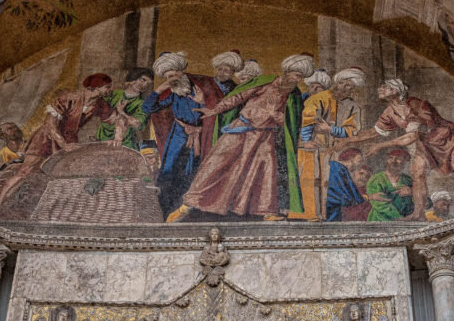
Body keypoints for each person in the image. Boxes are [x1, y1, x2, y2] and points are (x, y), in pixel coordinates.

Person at [167, 54, 313, 222]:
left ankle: (267, 211)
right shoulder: (266, 82)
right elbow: (238, 97)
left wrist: (277, 116)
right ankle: (188, 204)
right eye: (295, 75)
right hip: (240, 128)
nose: (297, 79)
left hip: (265, 136)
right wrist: (215, 110)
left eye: (300, 77)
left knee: (266, 172)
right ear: (287, 72)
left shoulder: (293, 94)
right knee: (216, 164)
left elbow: (290, 122)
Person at [351, 78, 454, 219]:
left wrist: (380, 145)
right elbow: (375, 131)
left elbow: (412, 136)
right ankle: (418, 214)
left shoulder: (415, 105)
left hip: (445, 141)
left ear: (395, 90)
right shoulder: (390, 111)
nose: (380, 89)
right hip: (425, 145)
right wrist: (348, 140)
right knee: (417, 174)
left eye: (384, 86)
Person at [0, 73, 114, 212]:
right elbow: (50, 123)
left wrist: (119, 137)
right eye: (108, 87)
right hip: (46, 139)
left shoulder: (100, 104)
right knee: (25, 172)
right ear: (96, 87)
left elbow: (116, 119)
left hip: (69, 141)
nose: (110, 90)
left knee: (59, 174)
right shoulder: (69, 99)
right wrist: (63, 144)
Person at [289, 67, 364, 221]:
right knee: (308, 181)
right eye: (342, 83)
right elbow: (308, 120)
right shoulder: (320, 98)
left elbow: (351, 130)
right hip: (309, 148)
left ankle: (322, 216)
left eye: (348, 85)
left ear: (353, 89)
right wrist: (306, 141)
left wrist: (331, 129)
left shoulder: (353, 106)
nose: (343, 87)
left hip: (329, 151)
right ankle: (305, 215)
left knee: (326, 185)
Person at [142, 52, 209, 216]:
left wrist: (203, 101)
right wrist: (159, 90)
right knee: (169, 169)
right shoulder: (173, 93)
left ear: (180, 72)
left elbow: (218, 108)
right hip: (179, 134)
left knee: (195, 170)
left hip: (201, 134)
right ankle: (164, 209)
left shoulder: (201, 86)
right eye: (167, 77)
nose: (171, 80)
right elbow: (148, 108)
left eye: (172, 75)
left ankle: (188, 209)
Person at [94, 68, 154, 150]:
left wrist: (121, 112)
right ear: (134, 78)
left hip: (124, 144)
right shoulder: (114, 93)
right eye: (143, 80)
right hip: (102, 139)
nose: (144, 85)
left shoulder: (142, 104)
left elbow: (137, 124)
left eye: (148, 84)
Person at [365, 148, 416, 221]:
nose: (393, 161)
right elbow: (380, 205)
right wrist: (401, 219)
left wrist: (413, 192)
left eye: (398, 158)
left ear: (405, 162)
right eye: (390, 158)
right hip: (379, 222)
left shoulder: (409, 180)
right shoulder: (376, 179)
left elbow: (426, 203)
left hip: (405, 223)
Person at [326, 148, 367, 222]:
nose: (360, 164)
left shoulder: (337, 167)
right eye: (359, 160)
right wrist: (368, 197)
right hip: (331, 209)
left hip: (333, 208)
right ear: (350, 158)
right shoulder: (339, 168)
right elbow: (349, 195)